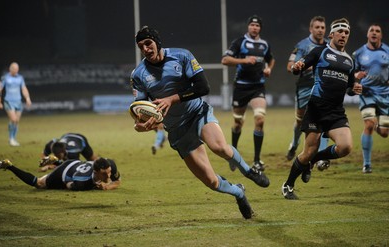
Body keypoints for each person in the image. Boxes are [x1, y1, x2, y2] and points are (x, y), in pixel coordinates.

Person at [130, 26, 270, 219]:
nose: (145, 49)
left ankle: (249, 171)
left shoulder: (182, 56)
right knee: (211, 181)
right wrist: (141, 124)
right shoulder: (138, 74)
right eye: (141, 46)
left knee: (219, 147)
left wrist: (171, 99)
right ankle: (239, 193)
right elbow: (141, 108)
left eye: (148, 43)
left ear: (157, 42)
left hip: (197, 113)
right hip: (177, 130)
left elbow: (203, 87)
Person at [281, 18, 362, 200]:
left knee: (346, 147)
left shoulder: (350, 61)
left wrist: (354, 88)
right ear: (331, 34)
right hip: (316, 108)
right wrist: (297, 66)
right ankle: (288, 185)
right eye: (340, 31)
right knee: (307, 151)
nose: (343, 35)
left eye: (346, 32)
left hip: (336, 112)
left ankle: (316, 159)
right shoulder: (319, 51)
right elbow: (297, 68)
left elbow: (349, 88)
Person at [221, 15, 275, 172]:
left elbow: (271, 59)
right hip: (241, 88)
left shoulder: (265, 44)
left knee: (260, 120)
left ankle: (257, 160)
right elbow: (225, 60)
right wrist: (244, 60)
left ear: (260, 28)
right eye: (252, 25)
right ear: (248, 27)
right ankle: (233, 155)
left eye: (257, 26)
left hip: (258, 87)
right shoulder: (240, 42)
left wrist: (268, 68)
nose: (254, 28)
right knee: (238, 124)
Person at [285, 16, 330, 166]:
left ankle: (321, 157)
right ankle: (294, 143)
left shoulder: (330, 46)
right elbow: (289, 65)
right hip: (304, 88)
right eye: (317, 27)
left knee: (323, 119)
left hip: (323, 88)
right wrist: (302, 66)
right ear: (311, 29)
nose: (320, 30)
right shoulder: (302, 45)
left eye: (323, 27)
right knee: (300, 121)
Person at [352, 23, 389, 174]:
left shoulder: (387, 51)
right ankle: (367, 164)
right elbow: (352, 73)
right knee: (368, 124)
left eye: (377, 31)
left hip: (385, 94)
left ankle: (375, 122)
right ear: (367, 34)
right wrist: (356, 76)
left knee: (384, 132)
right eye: (371, 31)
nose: (374, 33)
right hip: (366, 93)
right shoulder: (358, 53)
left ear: (381, 35)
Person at [0, 157, 121, 191]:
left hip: (75, 163)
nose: (109, 176)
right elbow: (69, 184)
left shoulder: (111, 165)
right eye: (105, 174)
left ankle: (56, 161)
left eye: (109, 172)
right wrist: (94, 186)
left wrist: (106, 186)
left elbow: (117, 181)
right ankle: (10, 166)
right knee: (39, 183)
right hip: (64, 173)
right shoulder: (82, 183)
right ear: (96, 172)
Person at [0, 62, 32, 146]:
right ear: (10, 69)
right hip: (8, 101)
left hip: (18, 102)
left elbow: (24, 88)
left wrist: (27, 98)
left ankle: (13, 138)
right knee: (13, 119)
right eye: (14, 68)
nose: (16, 70)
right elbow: (0, 88)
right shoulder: (5, 77)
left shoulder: (20, 78)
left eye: (17, 68)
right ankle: (11, 139)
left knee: (16, 121)